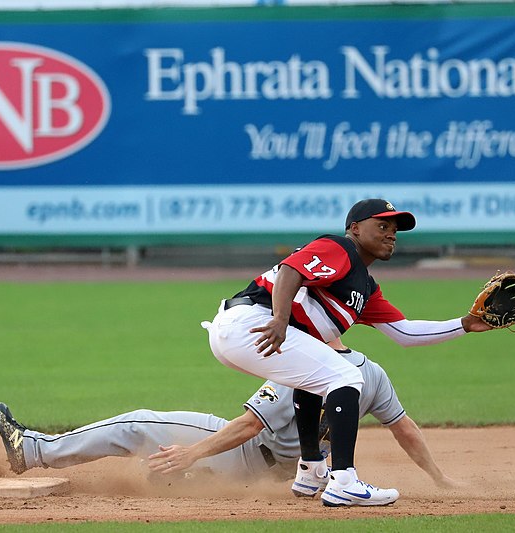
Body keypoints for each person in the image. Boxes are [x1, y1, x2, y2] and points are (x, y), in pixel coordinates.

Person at [203, 198, 492, 507]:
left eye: (394, 230)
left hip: (246, 332)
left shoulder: (365, 287)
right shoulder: (339, 248)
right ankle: (344, 481)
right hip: (253, 325)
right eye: (382, 226)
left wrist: (466, 324)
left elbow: (405, 333)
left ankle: (311, 470)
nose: (390, 234)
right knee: (346, 376)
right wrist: (280, 320)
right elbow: (290, 270)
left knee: (318, 377)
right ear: (355, 228)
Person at [0, 339, 460, 492]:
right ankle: (180, 477)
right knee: (164, 465)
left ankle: (34, 451)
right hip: (273, 474)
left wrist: (191, 453)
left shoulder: (306, 368)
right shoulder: (372, 374)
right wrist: (442, 480)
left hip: (244, 455)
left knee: (137, 423)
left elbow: (247, 426)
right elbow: (406, 430)